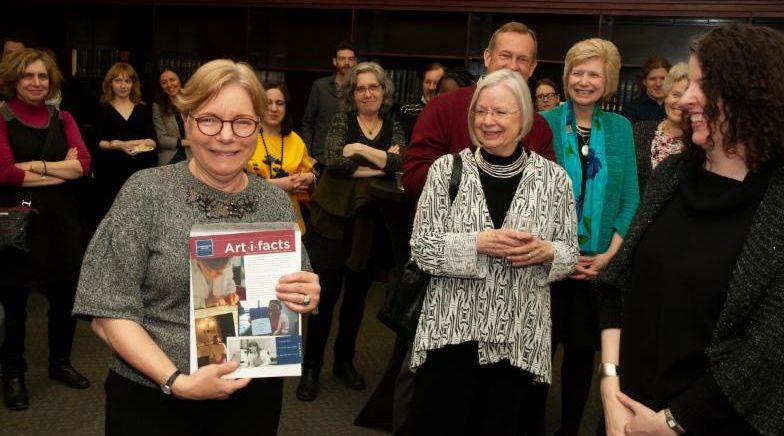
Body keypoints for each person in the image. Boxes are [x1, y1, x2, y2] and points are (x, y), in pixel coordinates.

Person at [72, 59, 321, 436]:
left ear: (257, 129)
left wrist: (304, 300)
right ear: (187, 121)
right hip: (154, 399)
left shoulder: (274, 202)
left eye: (242, 122)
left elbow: (289, 314)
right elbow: (107, 312)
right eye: (210, 120)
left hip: (252, 396)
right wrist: (177, 381)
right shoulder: (146, 193)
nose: (226, 136)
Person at [597, 23, 784, 436]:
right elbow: (617, 284)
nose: (684, 99)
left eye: (703, 85)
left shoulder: (776, 205)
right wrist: (609, 385)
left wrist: (670, 424)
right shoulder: (669, 176)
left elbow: (769, 349)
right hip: (622, 412)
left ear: (751, 94)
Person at [402, 69, 579, 435]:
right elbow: (421, 248)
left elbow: (569, 253)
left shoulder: (554, 179)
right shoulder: (445, 171)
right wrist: (476, 244)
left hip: (518, 337)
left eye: (500, 112)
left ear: (524, 118)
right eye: (480, 112)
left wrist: (547, 252)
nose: (488, 121)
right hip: (451, 334)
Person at [540, 38, 639, 436]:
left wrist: (606, 258)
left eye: (594, 73)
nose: (584, 81)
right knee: (535, 359)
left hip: (595, 268)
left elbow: (631, 200)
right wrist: (556, 253)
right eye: (577, 72)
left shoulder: (620, 129)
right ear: (566, 76)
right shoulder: (542, 122)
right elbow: (532, 196)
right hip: (543, 264)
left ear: (608, 80)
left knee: (581, 360)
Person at [297, 61, 405, 402]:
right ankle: (311, 367)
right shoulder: (342, 121)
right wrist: (380, 164)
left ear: (384, 91)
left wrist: (358, 152)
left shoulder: (395, 124)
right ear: (352, 94)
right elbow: (334, 161)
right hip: (332, 220)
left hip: (369, 224)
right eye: (361, 88)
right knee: (324, 299)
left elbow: (401, 163)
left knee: (357, 300)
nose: (368, 93)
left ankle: (345, 361)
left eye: (374, 87)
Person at [0, 48, 92, 411]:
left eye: (42, 76)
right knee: (16, 304)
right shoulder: (2, 118)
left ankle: (60, 363)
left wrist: (35, 166)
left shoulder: (63, 117)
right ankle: (12, 373)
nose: (36, 82)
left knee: (65, 299)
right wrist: (58, 169)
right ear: (14, 80)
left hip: (62, 223)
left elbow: (83, 165)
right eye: (28, 76)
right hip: (17, 224)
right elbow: (5, 173)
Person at [402, 22, 555, 200]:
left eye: (522, 59)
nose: (513, 66)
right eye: (505, 55)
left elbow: (548, 189)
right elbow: (413, 179)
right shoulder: (442, 107)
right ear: (487, 57)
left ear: (533, 67)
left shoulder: (539, 126)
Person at [246, 81, 316, 233]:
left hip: (289, 222)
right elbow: (234, 184)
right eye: (268, 103)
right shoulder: (245, 137)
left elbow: (308, 184)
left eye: (279, 103)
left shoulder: (296, 141)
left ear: (286, 108)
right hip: (252, 223)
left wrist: (311, 179)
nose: (273, 109)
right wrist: (280, 185)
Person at [93, 62, 157, 221]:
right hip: (110, 173)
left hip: (140, 172)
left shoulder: (142, 108)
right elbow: (97, 141)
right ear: (110, 83)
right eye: (118, 80)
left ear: (133, 84)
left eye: (127, 81)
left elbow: (153, 141)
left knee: (139, 218)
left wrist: (130, 144)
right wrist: (117, 146)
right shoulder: (102, 108)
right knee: (111, 217)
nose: (123, 85)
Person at [632, 62, 689, 195]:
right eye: (675, 94)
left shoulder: (699, 144)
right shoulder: (638, 131)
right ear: (666, 96)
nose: (680, 102)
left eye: (687, 96)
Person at [301, 40, 357, 173]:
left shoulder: (360, 90)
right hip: (321, 159)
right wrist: (308, 155)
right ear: (334, 61)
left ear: (356, 62)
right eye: (342, 59)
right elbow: (307, 123)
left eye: (350, 59)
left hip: (350, 160)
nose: (346, 63)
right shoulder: (320, 86)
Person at [152, 68, 191, 166]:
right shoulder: (157, 107)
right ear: (161, 86)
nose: (169, 85)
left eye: (172, 80)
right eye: (164, 82)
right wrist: (188, 143)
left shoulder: (193, 100)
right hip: (170, 158)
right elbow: (162, 140)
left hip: (195, 156)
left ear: (180, 80)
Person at [398, 63, 445, 142]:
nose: (431, 88)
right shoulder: (407, 110)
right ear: (422, 83)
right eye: (427, 82)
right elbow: (400, 144)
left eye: (436, 83)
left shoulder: (448, 112)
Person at [621, 54, 671, 123]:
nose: (658, 84)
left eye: (663, 78)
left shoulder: (676, 106)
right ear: (644, 81)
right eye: (653, 79)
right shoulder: (631, 109)